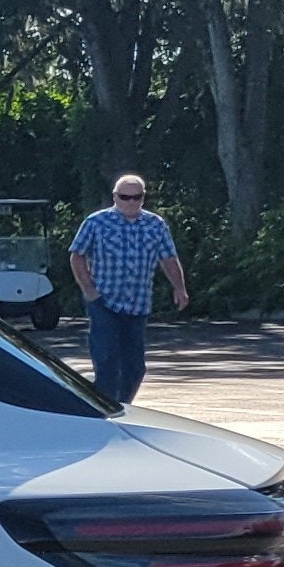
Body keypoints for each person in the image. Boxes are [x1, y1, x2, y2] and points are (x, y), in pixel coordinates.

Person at [67, 171, 186, 404]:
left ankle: (122, 406)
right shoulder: (96, 222)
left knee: (135, 367)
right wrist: (89, 289)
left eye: (136, 197)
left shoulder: (155, 224)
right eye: (125, 197)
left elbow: (169, 258)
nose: (130, 202)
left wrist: (179, 288)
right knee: (107, 359)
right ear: (115, 196)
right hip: (104, 301)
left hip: (138, 303)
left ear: (143, 198)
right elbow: (76, 255)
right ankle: (102, 409)